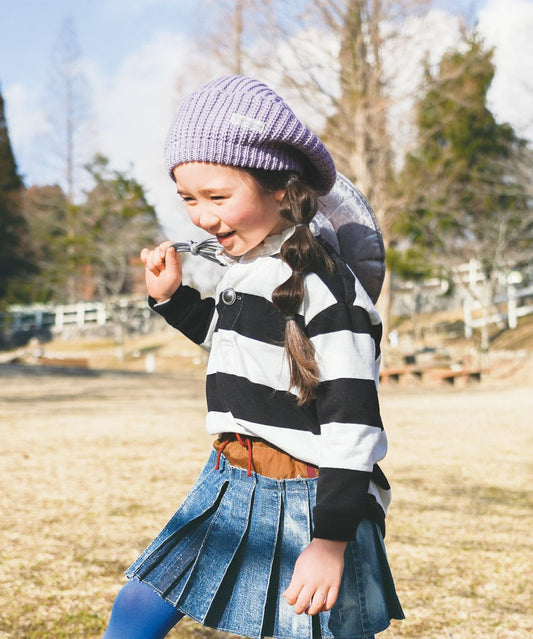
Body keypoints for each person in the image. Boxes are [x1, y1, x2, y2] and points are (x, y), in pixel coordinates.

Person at [102, 75, 404, 639]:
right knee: (139, 607)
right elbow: (239, 345)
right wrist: (173, 300)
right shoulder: (247, 271)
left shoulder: (329, 292)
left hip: (308, 499)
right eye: (188, 199)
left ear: (281, 190)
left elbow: (354, 428)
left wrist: (329, 541)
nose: (203, 217)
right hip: (225, 480)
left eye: (218, 197)